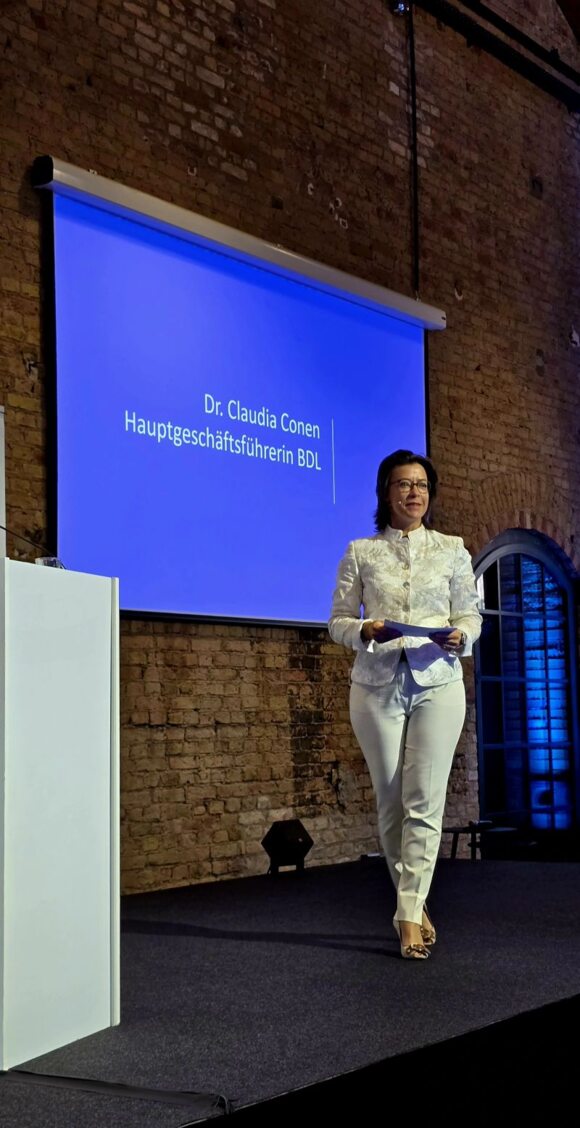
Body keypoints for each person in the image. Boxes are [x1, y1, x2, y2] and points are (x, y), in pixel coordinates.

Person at [329, 449, 482, 959]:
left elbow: (470, 614)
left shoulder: (452, 549)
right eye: (403, 484)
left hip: (438, 681)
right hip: (376, 684)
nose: (414, 492)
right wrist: (364, 630)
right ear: (386, 492)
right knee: (392, 800)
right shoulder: (361, 551)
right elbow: (337, 620)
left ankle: (409, 915)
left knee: (425, 801)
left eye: (421, 484)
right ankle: (412, 903)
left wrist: (463, 635)